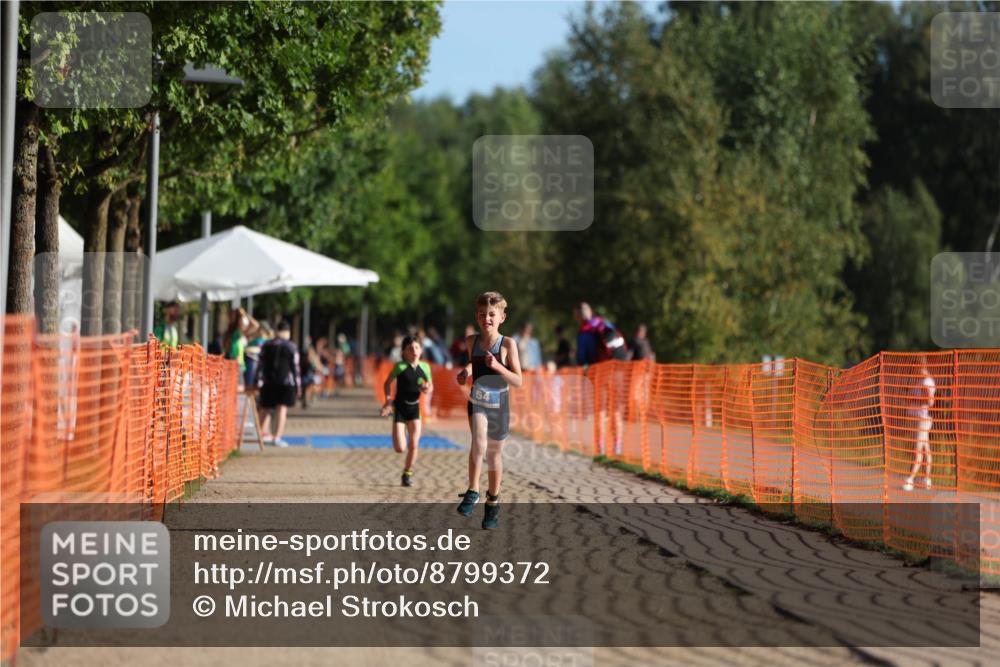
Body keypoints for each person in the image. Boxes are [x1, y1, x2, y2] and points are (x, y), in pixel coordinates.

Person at [455, 291, 523, 530]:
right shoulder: (471, 341)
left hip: (500, 404)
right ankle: (473, 490)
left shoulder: (507, 344)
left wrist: (498, 367)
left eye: (492, 314)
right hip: (478, 400)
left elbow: (517, 381)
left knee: (494, 455)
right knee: (479, 444)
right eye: (483, 314)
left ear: (502, 317)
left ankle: (492, 502)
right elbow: (473, 364)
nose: (487, 319)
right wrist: (466, 372)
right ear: (477, 316)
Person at [380, 336, 433, 487]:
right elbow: (387, 383)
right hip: (400, 408)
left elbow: (430, 386)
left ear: (421, 350)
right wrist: (388, 400)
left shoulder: (425, 367)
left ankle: (407, 473)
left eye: (417, 347)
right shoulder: (400, 366)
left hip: (415, 408)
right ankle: (399, 431)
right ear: (404, 351)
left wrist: (426, 388)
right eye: (410, 348)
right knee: (400, 448)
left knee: (414, 444)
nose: (414, 351)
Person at [254, 320, 301, 448]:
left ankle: (258, 436)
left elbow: (260, 365)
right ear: (287, 332)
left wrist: (257, 381)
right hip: (286, 383)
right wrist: (298, 387)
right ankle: (277, 437)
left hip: (268, 382)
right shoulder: (291, 346)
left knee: (266, 408)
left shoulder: (266, 345)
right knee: (282, 409)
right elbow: (295, 368)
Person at [903, 359, 937, 491]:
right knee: (924, 449)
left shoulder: (926, 382)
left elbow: (930, 401)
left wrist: (913, 400)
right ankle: (926, 479)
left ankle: (910, 479)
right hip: (916, 418)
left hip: (922, 419)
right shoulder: (919, 381)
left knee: (917, 449)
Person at [223, 308, 257, 386]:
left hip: (238, 365)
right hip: (231, 364)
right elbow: (226, 348)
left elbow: (255, 325)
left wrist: (245, 314)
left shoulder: (238, 332)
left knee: (238, 390)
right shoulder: (230, 333)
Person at [244, 320, 272, 393]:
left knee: (252, 389)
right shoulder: (256, 340)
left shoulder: (267, 341)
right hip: (255, 365)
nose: (258, 330)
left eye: (259, 329)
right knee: (252, 390)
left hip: (258, 367)